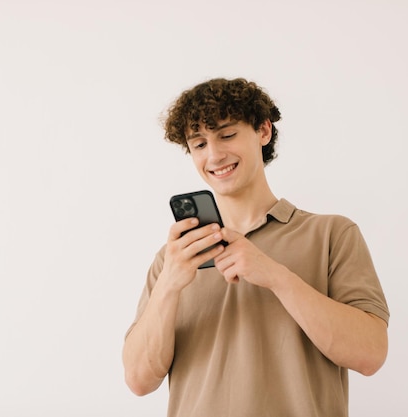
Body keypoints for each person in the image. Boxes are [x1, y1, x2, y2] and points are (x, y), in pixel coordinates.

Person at [122, 77, 389, 417]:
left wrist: (276, 276)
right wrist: (169, 286)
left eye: (227, 135)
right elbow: (138, 380)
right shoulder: (175, 257)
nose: (214, 155)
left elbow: (370, 355)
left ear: (263, 131)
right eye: (199, 143)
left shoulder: (332, 234)